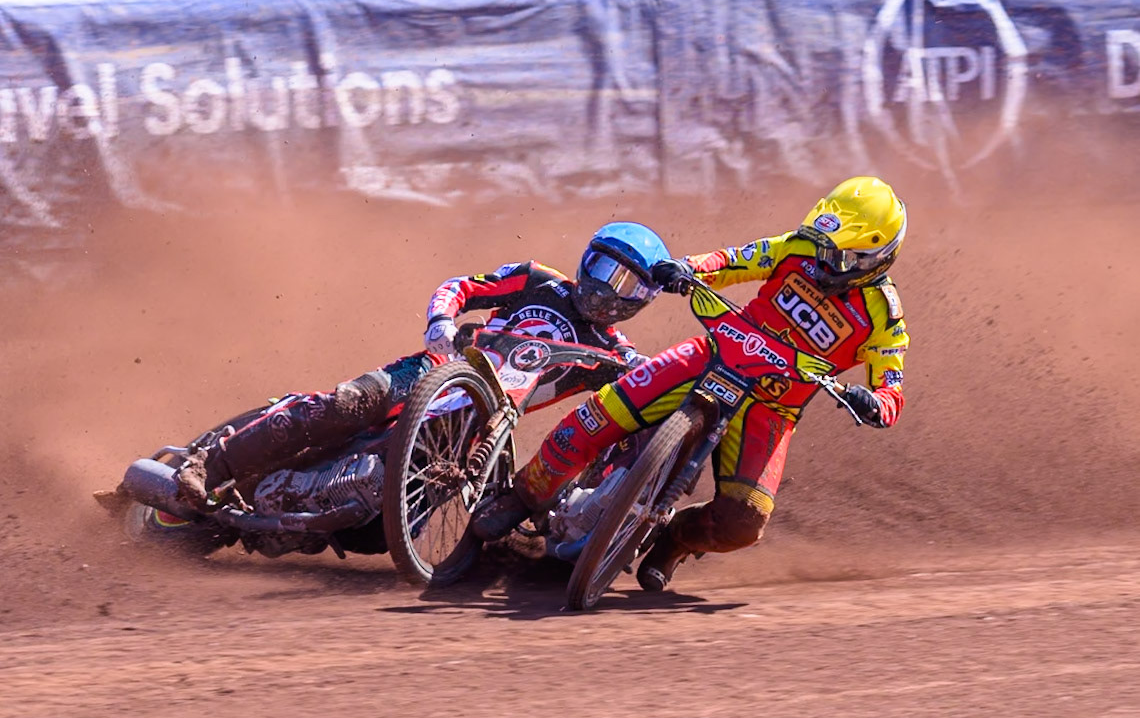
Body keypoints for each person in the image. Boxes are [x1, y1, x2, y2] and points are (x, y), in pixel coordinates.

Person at [472, 176, 910, 591]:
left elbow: (892, 388)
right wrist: (684, 269)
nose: (825, 261)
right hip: (714, 355)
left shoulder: (884, 320)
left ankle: (675, 540)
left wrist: (873, 404)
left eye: (843, 257)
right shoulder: (796, 248)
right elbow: (732, 261)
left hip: (771, 409)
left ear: (878, 258)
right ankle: (522, 498)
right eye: (824, 246)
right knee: (597, 416)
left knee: (744, 522)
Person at [172, 222, 672, 514]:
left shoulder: (613, 351)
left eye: (626, 285)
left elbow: (648, 389)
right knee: (349, 403)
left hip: (478, 426)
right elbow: (461, 286)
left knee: (393, 518)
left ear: (642, 301)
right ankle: (209, 465)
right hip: (438, 368)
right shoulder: (538, 280)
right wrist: (441, 323)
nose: (609, 289)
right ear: (587, 261)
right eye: (606, 270)